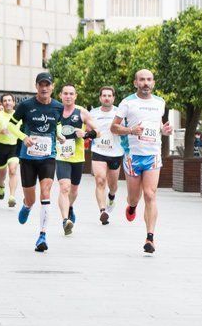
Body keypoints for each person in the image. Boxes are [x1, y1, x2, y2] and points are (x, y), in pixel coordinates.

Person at [111, 69, 172, 253]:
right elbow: (114, 127)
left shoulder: (160, 102)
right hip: (132, 156)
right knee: (134, 196)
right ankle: (132, 206)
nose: (146, 83)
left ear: (153, 82)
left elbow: (157, 124)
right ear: (135, 82)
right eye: (142, 80)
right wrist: (130, 130)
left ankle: (150, 238)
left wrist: (164, 130)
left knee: (150, 194)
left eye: (149, 80)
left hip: (153, 155)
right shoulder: (127, 102)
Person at [9, 72, 64, 252]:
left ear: (52, 87)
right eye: (41, 84)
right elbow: (11, 125)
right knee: (31, 198)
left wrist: (60, 134)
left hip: (48, 156)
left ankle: (42, 235)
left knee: (46, 192)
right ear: (36, 87)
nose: (44, 88)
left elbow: (58, 124)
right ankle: (26, 205)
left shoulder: (58, 107)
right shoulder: (26, 105)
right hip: (28, 157)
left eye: (47, 84)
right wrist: (23, 137)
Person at [55, 84, 97, 235]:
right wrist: (56, 136)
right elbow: (48, 129)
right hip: (61, 156)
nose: (68, 96)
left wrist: (85, 134)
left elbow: (98, 132)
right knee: (64, 187)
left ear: (75, 96)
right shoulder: (55, 111)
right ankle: (65, 220)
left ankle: (70, 206)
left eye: (71, 94)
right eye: (65, 93)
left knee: (73, 190)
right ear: (60, 95)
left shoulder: (82, 112)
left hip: (78, 157)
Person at [89, 86, 125, 225]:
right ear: (100, 98)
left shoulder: (119, 113)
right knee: (100, 180)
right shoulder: (93, 113)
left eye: (109, 96)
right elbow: (88, 129)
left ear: (113, 98)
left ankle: (111, 197)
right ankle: (102, 211)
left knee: (113, 185)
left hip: (115, 152)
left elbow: (125, 129)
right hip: (99, 150)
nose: (107, 98)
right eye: (104, 95)